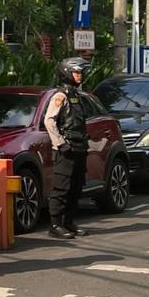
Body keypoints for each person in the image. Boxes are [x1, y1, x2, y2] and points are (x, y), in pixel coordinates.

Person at [44, 57, 91, 239]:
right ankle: (56, 225)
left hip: (80, 147)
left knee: (76, 187)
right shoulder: (60, 96)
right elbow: (49, 121)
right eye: (76, 72)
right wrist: (60, 143)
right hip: (66, 149)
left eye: (80, 72)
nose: (80, 76)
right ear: (66, 73)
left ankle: (69, 222)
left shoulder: (76, 95)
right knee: (61, 188)